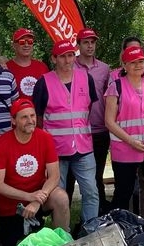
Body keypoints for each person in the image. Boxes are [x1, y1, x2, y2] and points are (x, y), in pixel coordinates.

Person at [33, 39, 100, 228]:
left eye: (71, 55)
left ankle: (90, 230)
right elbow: (39, 118)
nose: (67, 60)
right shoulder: (43, 83)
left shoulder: (86, 78)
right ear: (54, 58)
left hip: (83, 146)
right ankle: (62, 234)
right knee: (59, 195)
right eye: (62, 56)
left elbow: (88, 107)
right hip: (55, 151)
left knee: (91, 192)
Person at [0, 98, 71, 246]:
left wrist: (37, 200)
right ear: (13, 120)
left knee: (61, 197)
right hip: (11, 203)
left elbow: (54, 175)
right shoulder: (2, 144)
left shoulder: (45, 138)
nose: (30, 121)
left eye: (32, 116)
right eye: (24, 117)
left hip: (38, 197)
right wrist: (29, 197)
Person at [105, 45, 144, 218]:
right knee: (123, 194)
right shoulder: (115, 87)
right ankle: (119, 231)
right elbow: (109, 121)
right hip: (126, 149)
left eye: (141, 61)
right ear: (124, 65)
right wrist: (131, 141)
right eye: (133, 62)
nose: (138, 65)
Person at [75, 27, 113, 208]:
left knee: (97, 174)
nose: (90, 46)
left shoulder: (105, 69)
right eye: (86, 42)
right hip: (76, 130)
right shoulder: (70, 66)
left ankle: (99, 213)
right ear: (79, 45)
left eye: (93, 42)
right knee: (71, 176)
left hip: (99, 129)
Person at [6, 28, 49, 98]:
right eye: (22, 42)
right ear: (14, 45)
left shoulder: (42, 67)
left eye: (30, 41)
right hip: (17, 108)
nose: (26, 45)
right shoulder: (6, 68)